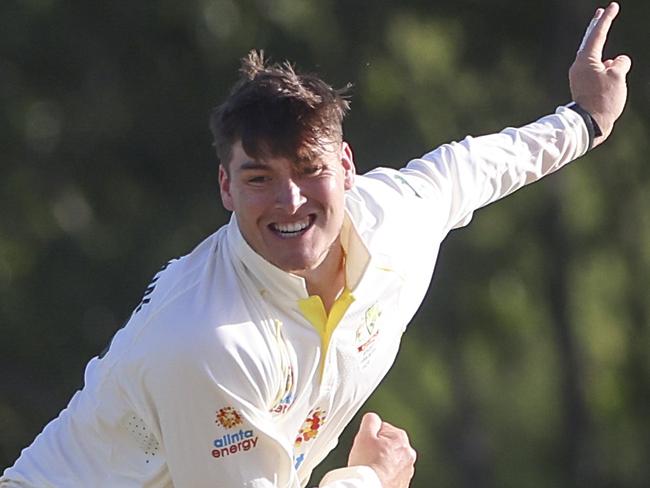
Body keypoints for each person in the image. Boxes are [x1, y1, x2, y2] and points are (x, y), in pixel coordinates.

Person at [1, 3, 630, 487]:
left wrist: (584, 120)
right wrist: (370, 478)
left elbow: (482, 165)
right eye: (259, 178)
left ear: (348, 166)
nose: (291, 201)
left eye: (308, 168)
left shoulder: (397, 217)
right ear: (225, 185)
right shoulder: (207, 339)